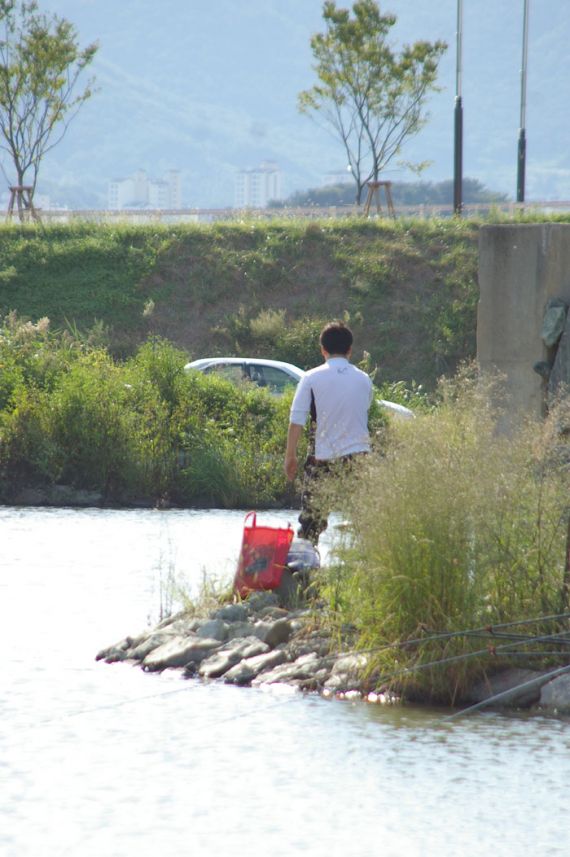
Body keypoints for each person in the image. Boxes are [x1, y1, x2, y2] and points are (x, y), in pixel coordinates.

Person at [284, 321, 373, 544]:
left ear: (323, 350)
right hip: (359, 458)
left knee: (311, 524)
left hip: (321, 459)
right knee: (366, 521)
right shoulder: (364, 379)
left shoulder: (311, 378)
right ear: (350, 350)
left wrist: (290, 456)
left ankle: (305, 572)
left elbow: (297, 419)